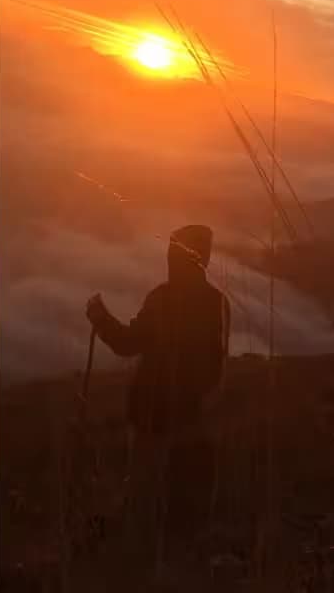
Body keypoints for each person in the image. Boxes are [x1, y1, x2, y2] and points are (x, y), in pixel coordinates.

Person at [86, 224, 230, 553]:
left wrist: (98, 317)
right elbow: (216, 365)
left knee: (144, 492)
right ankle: (180, 560)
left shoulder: (163, 299)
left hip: (153, 415)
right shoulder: (217, 303)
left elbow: (126, 344)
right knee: (186, 496)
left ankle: (138, 561)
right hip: (194, 415)